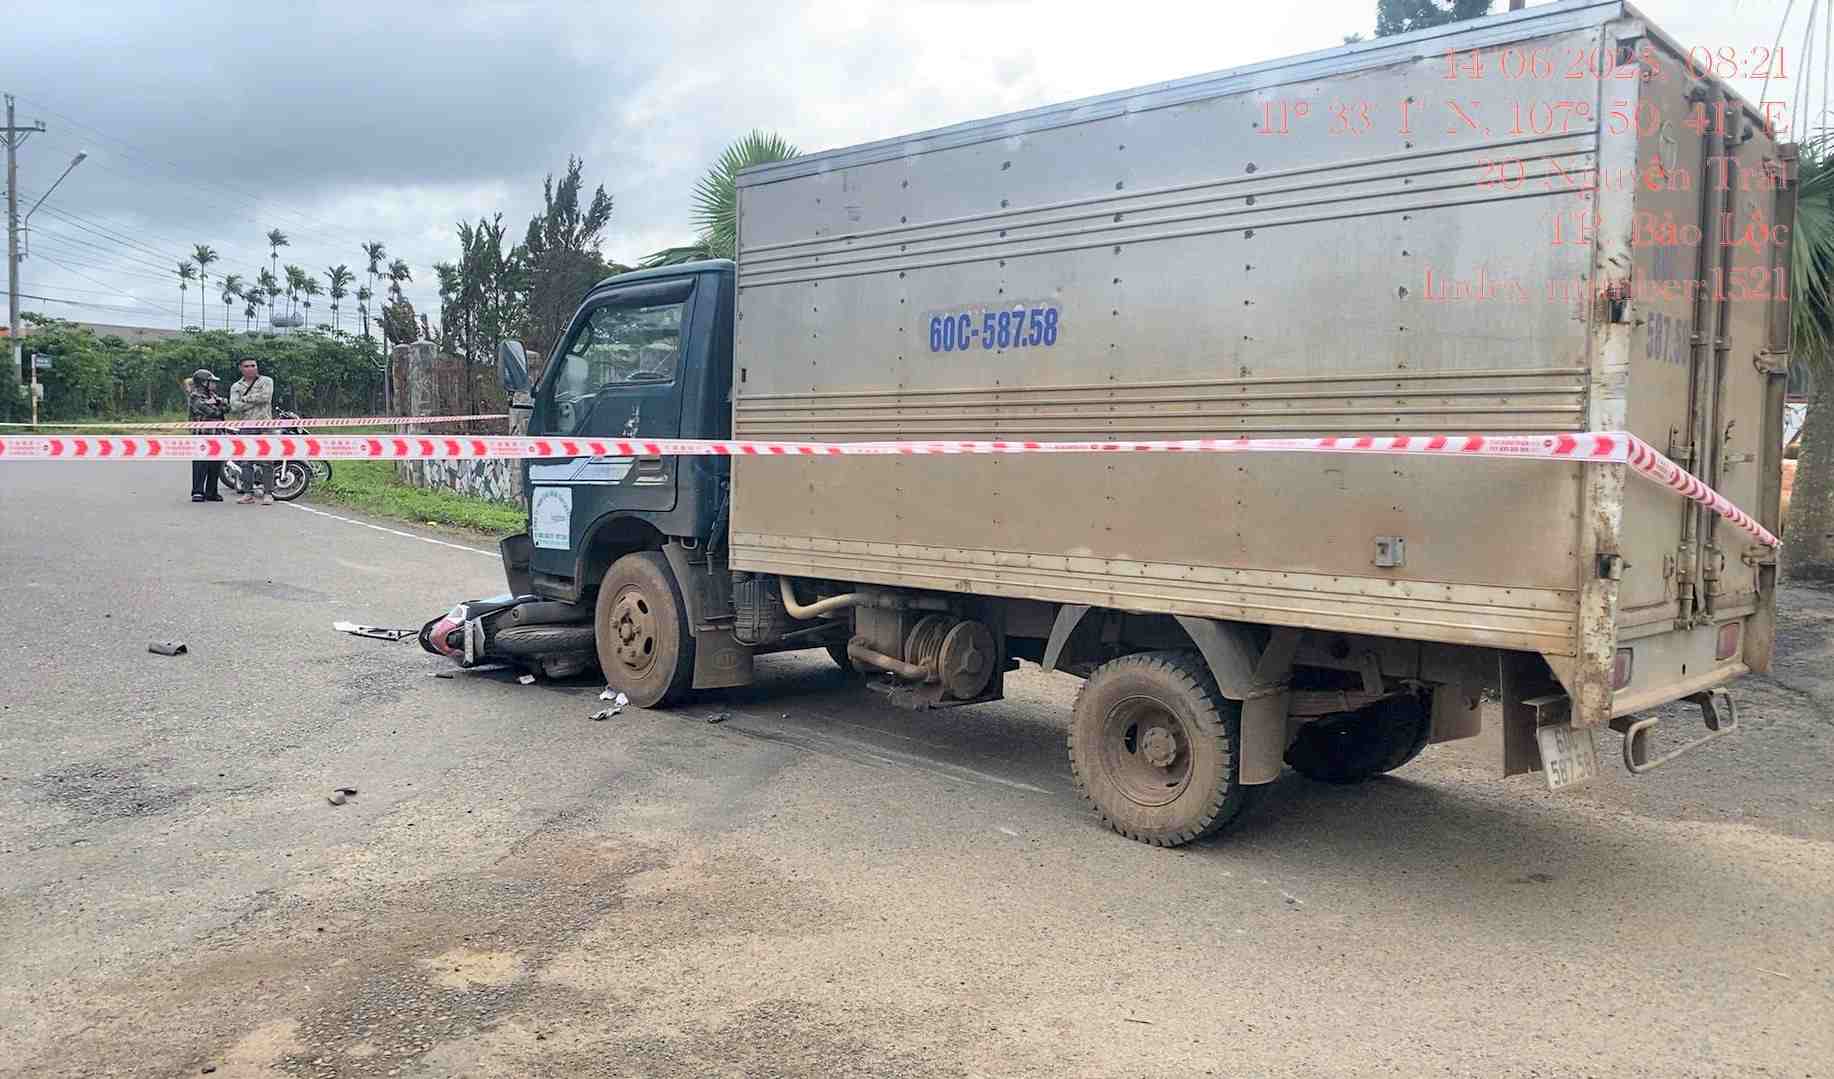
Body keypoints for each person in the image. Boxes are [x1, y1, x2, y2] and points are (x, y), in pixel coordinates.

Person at [226, 356, 276, 505]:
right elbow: (234, 406)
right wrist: (253, 401)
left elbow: (266, 397)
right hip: (246, 425)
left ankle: (268, 493)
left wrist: (246, 399)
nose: (251, 368)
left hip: (265, 425)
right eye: (247, 366)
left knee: (267, 460)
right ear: (241, 368)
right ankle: (248, 493)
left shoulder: (266, 381)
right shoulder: (236, 386)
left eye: (253, 365)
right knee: (246, 461)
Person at [186, 369, 227, 502]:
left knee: (215, 464)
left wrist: (218, 404)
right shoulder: (195, 396)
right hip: (202, 435)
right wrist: (219, 405)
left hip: (217, 434)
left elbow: (227, 406)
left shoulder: (213, 396)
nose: (214, 384)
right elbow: (211, 412)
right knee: (201, 463)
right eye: (211, 382)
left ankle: (211, 492)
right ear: (204, 383)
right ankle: (198, 491)